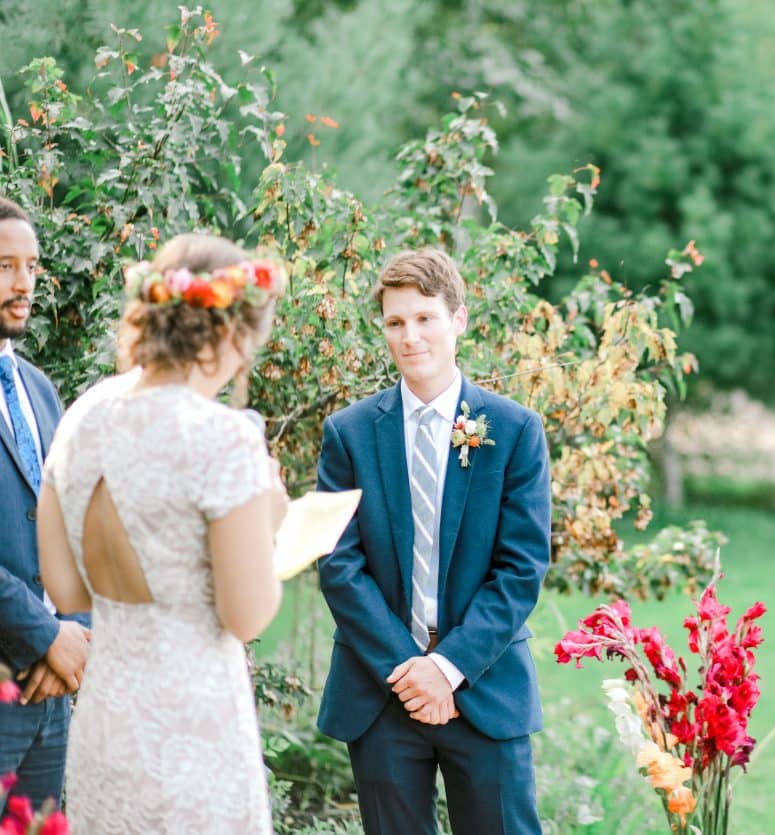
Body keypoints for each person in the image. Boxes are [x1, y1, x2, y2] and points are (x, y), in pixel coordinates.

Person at [37, 233, 287, 833]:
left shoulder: (81, 419)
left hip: (105, 728)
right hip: (193, 731)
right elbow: (247, 616)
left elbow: (68, 593)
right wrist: (271, 525)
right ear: (229, 334)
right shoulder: (222, 436)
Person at [317, 248, 551, 835]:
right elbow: (339, 565)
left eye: (425, 318)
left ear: (459, 320)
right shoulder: (348, 435)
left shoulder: (515, 430)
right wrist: (409, 671)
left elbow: (520, 568)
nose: (410, 336)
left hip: (484, 684)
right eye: (395, 322)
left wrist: (447, 668)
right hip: (381, 690)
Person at [0, 197, 90, 811]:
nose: (23, 283)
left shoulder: (39, 388)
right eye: (6, 266)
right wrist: (40, 636)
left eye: (31, 267)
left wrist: (73, 639)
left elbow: (74, 525)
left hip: (52, 691)